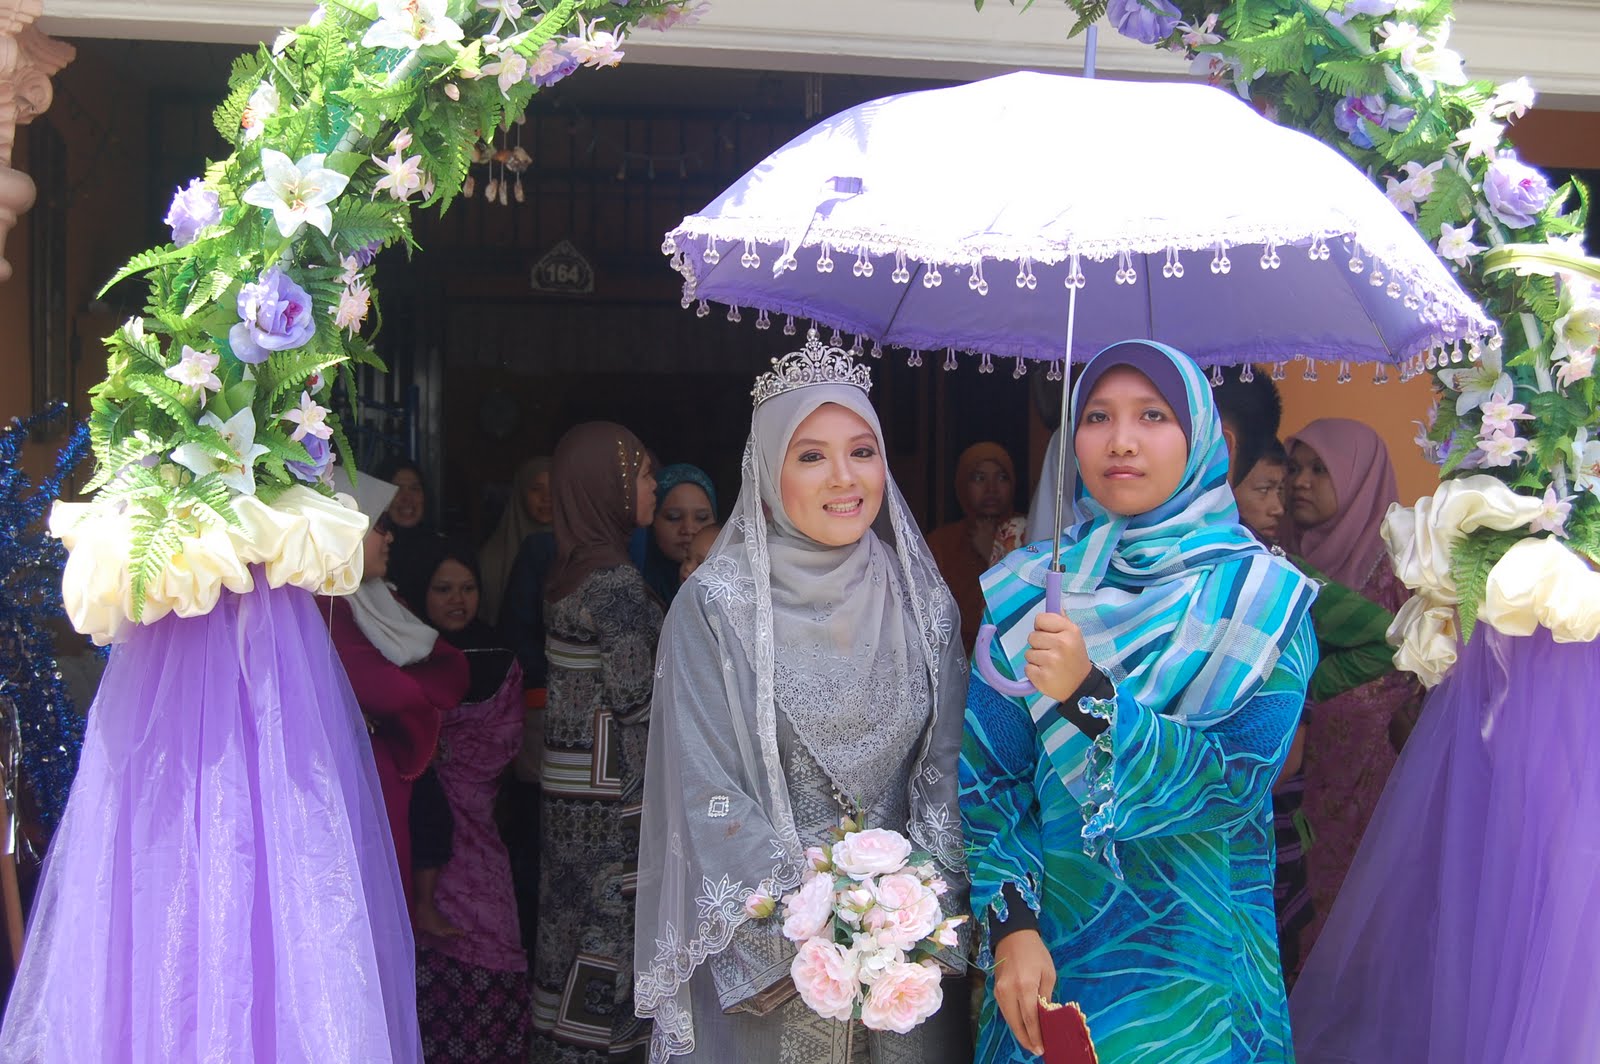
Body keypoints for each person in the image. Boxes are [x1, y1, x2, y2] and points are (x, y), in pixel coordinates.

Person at [962, 340, 1318, 1063]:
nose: (1120, 440)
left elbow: (1233, 782)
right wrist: (1012, 929)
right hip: (1052, 965)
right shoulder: (1029, 591)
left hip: (1202, 979)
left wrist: (1089, 696)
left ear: (1206, 440)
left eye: (1152, 415)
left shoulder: (1263, 599)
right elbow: (989, 783)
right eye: (1097, 416)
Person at [633, 343, 971, 1063]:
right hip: (774, 952)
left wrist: (910, 919)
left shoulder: (925, 605)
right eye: (811, 456)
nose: (844, 477)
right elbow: (707, 789)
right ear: (765, 471)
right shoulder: (716, 610)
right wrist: (815, 922)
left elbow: (946, 771)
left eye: (862, 451)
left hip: (906, 958)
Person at [531, 423, 663, 1064]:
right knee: (607, 938)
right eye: (643, 475)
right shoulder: (614, 583)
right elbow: (639, 698)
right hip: (611, 800)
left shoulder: (569, 568)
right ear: (607, 489)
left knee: (570, 925)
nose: (653, 487)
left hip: (571, 793)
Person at [1282, 419, 1422, 957]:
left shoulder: (1400, 574)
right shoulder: (1276, 558)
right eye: (1294, 468)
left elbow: (1417, 671)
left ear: (1360, 477)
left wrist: (1317, 686)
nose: (1300, 482)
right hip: (1295, 786)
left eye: (1320, 470)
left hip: (1369, 784)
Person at [401, 541, 532, 1062]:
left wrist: (444, 753)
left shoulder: (500, 658)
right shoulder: (402, 653)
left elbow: (503, 744)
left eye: (468, 588)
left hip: (479, 834)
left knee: (495, 938)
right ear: (421, 592)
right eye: (443, 589)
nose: (458, 600)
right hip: (415, 833)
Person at [324, 468, 470, 912]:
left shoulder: (378, 599)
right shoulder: (325, 607)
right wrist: (400, 695)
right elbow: (394, 692)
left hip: (380, 769)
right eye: (379, 525)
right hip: (358, 778)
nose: (389, 538)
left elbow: (447, 673)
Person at [927, 442, 1026, 650]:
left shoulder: (1028, 535)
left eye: (1002, 478)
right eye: (979, 478)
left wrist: (990, 553)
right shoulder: (941, 542)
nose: (991, 489)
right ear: (962, 485)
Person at [479, 456, 554, 627]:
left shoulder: (580, 552)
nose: (547, 497)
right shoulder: (490, 560)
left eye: (555, 489)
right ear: (520, 495)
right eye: (536, 489)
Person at [633, 463, 717, 607]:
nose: (689, 529)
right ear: (652, 520)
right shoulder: (632, 585)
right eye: (674, 517)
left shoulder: (728, 593)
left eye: (702, 518)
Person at [379, 457, 444, 619]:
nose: (407, 498)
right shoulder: (373, 554)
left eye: (415, 489)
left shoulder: (444, 550)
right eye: (396, 489)